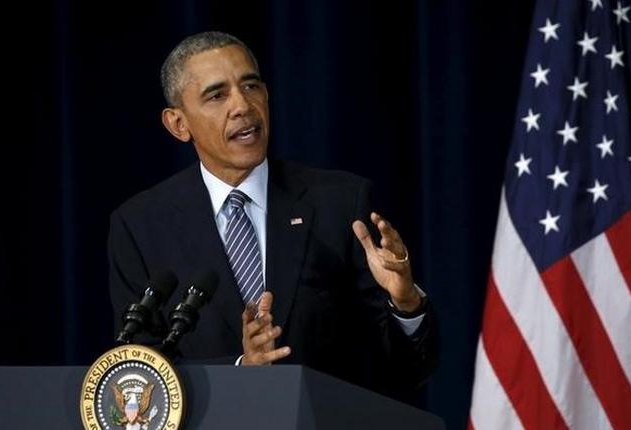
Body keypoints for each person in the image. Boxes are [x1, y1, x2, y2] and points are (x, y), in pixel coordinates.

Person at [108, 31, 438, 401]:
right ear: (178, 124)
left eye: (251, 86)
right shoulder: (140, 225)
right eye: (218, 95)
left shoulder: (340, 203)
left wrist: (406, 302)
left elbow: (406, 369)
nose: (243, 106)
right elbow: (136, 373)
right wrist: (240, 370)